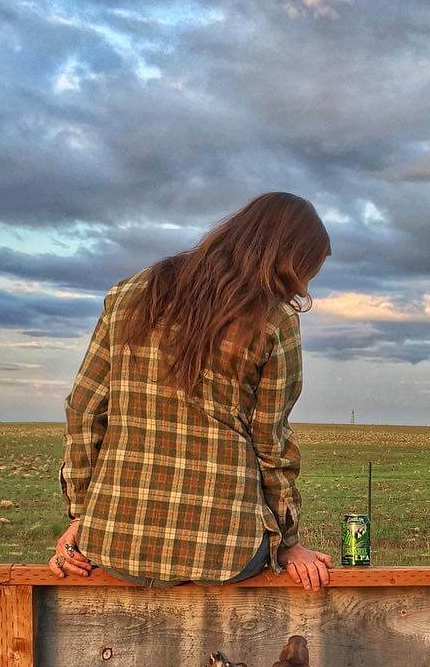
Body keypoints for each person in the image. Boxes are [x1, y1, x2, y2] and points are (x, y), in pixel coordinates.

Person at [50, 192, 333, 591]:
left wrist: (83, 515)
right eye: (306, 271)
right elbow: (270, 442)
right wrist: (288, 543)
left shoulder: (129, 294)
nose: (303, 286)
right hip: (227, 553)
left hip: (115, 546)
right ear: (287, 260)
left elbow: (84, 409)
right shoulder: (275, 319)